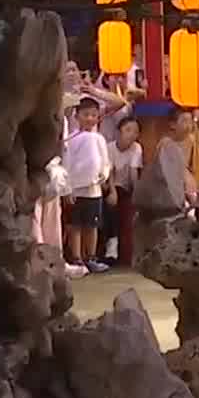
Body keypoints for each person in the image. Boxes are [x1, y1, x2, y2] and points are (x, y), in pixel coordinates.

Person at [62, 98, 113, 274]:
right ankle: (76, 259)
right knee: (75, 225)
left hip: (94, 190)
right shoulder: (71, 139)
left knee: (92, 225)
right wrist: (67, 188)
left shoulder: (99, 138)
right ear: (77, 116)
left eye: (93, 115)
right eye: (86, 115)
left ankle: (91, 257)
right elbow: (66, 163)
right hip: (76, 189)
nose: (90, 118)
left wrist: (104, 174)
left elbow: (105, 161)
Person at [106, 116, 143, 266]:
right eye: (128, 130)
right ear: (119, 132)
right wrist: (112, 191)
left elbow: (134, 173)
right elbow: (109, 172)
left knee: (130, 216)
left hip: (128, 189)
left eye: (135, 131)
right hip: (110, 186)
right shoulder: (109, 147)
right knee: (110, 209)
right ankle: (111, 246)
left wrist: (137, 196)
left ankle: (127, 255)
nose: (132, 134)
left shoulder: (136, 148)